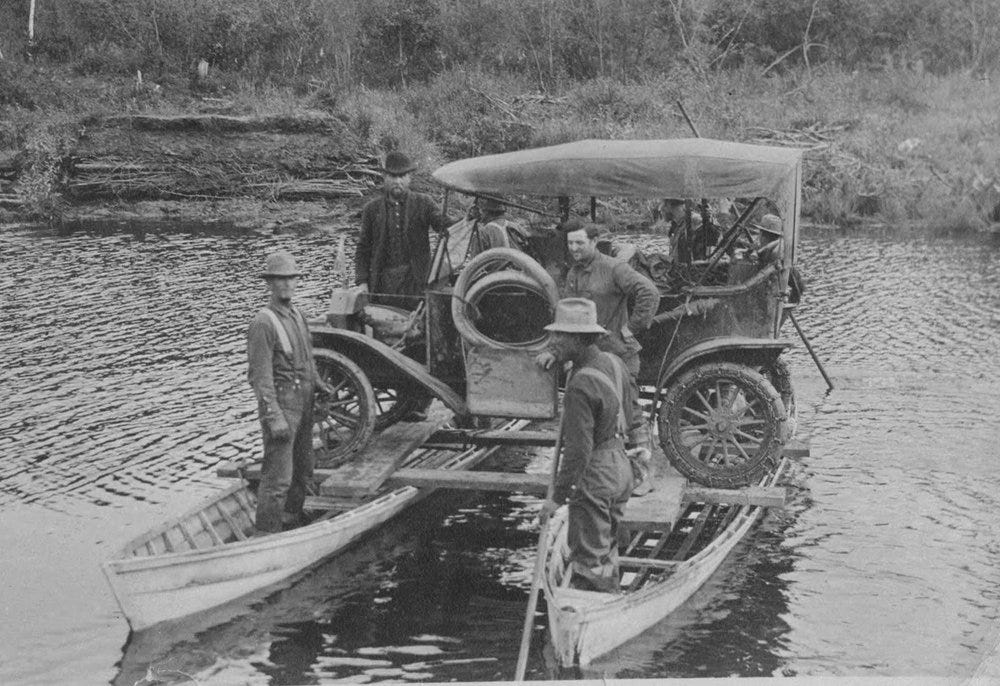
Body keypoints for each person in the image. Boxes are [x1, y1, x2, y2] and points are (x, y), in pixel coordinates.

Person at [538, 298, 650, 592]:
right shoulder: (614, 362)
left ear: (578, 339)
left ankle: (590, 612)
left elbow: (577, 453)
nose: (554, 342)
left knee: (590, 563)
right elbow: (634, 409)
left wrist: (557, 498)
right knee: (608, 545)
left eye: (559, 336)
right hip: (621, 467)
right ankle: (612, 594)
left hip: (597, 474)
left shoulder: (579, 386)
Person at [247, 250, 331, 535]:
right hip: (283, 406)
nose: (287, 285)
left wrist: (318, 382)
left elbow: (307, 357)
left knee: (304, 469)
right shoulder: (263, 323)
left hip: (304, 403)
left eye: (291, 279)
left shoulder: (298, 315)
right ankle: (266, 534)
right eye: (280, 280)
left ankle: (291, 520)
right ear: (269, 283)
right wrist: (274, 416)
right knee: (277, 477)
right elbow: (260, 377)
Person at [553, 219, 660, 380]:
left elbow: (649, 292)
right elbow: (568, 318)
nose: (573, 248)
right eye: (570, 243)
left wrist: (630, 329)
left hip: (617, 358)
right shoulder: (573, 274)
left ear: (594, 241)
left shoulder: (614, 268)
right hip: (586, 358)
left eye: (579, 243)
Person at [355, 150, 450, 310]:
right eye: (392, 176)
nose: (397, 181)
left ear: (409, 178)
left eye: (402, 176)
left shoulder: (424, 203)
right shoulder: (371, 209)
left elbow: (443, 224)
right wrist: (362, 281)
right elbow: (363, 249)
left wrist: (466, 220)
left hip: (416, 283)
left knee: (418, 326)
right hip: (383, 284)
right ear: (384, 178)